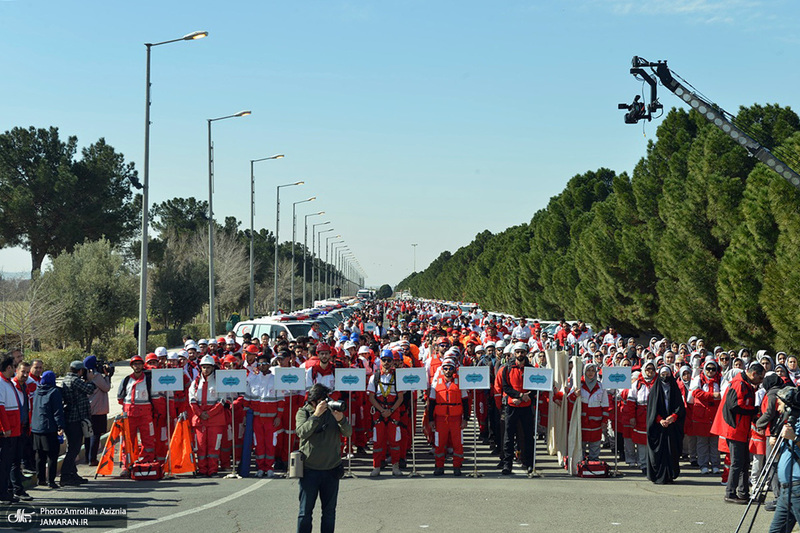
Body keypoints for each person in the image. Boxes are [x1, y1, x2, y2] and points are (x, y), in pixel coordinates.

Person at [296, 383, 352, 533]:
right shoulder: (304, 412)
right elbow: (302, 432)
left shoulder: (333, 411)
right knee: (305, 513)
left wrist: (341, 420)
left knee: (329, 513)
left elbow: (348, 433)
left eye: (325, 399)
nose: (324, 403)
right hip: (309, 470)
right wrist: (315, 416)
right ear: (312, 401)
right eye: (320, 400)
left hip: (331, 470)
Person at [712, 362, 765, 504]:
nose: (761, 381)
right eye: (761, 378)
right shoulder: (739, 383)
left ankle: (742, 492)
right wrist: (753, 410)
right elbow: (735, 406)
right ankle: (730, 493)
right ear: (754, 374)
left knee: (743, 462)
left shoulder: (744, 383)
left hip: (739, 429)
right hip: (735, 429)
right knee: (737, 462)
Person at [427, 356, 469, 476]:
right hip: (440, 419)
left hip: (456, 418)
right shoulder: (436, 384)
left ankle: (457, 466)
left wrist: (466, 419)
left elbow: (465, 402)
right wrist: (431, 419)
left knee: (457, 443)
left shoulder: (461, 382)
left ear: (454, 369)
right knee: (439, 443)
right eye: (445, 368)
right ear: (442, 369)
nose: (447, 371)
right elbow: (432, 402)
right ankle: (439, 466)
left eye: (450, 368)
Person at [498, 342, 535, 475]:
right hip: (512, 406)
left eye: (522, 352)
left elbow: (535, 386)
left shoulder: (531, 368)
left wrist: (527, 396)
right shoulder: (507, 368)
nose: (520, 354)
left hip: (526, 407)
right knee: (509, 437)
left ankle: (529, 463)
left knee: (528, 436)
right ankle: (507, 464)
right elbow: (505, 386)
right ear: (514, 353)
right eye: (518, 352)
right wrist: (519, 396)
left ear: (526, 353)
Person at [117, 355, 156, 476]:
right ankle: (126, 466)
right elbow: (120, 398)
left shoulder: (148, 379)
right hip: (129, 415)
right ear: (131, 366)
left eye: (139, 364)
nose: (137, 366)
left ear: (142, 365)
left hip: (145, 415)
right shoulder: (127, 380)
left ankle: (146, 462)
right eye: (135, 364)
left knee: (148, 439)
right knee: (127, 441)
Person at [188, 355, 227, 477]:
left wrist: (209, 414)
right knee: (200, 446)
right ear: (200, 368)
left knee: (214, 447)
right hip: (200, 420)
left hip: (215, 419)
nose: (206, 369)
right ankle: (203, 470)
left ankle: (213, 470)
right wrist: (200, 413)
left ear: (213, 368)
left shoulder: (219, 381)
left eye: (209, 367)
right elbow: (192, 400)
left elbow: (222, 400)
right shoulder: (195, 383)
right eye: (204, 367)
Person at [646, 366, 685, 484]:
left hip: (672, 425)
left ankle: (670, 475)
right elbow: (652, 409)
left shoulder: (675, 388)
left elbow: (680, 406)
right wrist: (660, 420)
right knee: (659, 452)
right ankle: (658, 475)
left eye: (667, 374)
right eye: (662, 374)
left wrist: (673, 417)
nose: (665, 377)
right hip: (659, 426)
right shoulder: (655, 389)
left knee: (671, 450)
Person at [60, 359, 96, 486]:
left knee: (72, 447)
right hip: (75, 418)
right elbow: (90, 390)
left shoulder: (65, 379)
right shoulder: (75, 380)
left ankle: (72, 473)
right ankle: (65, 475)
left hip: (70, 418)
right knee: (74, 449)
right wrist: (91, 379)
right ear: (80, 370)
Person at [31, 370, 64, 489]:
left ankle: (41, 479)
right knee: (52, 455)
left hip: (36, 428)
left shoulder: (37, 391)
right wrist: (60, 426)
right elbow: (57, 411)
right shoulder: (54, 392)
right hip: (49, 428)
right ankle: (51, 480)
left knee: (40, 455)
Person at [83, 355, 111, 466]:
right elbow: (106, 388)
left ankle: (87, 457)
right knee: (96, 435)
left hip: (89, 409)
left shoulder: (87, 376)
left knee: (88, 435)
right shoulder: (97, 376)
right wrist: (107, 376)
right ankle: (92, 459)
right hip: (98, 410)